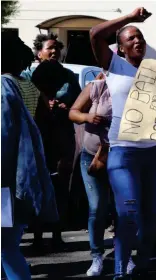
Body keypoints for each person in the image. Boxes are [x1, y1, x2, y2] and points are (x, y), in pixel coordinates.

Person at [90, 7, 156, 278]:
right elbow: (94, 33)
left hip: (155, 153)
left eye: (140, 36)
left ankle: (139, 266)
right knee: (127, 213)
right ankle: (120, 271)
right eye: (131, 38)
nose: (137, 40)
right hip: (123, 152)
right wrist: (130, 18)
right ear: (120, 47)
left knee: (151, 219)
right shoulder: (113, 65)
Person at [1, 34, 58, 280]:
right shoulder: (24, 85)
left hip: (4, 181)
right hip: (17, 174)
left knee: (6, 247)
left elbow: (3, 138)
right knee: (8, 245)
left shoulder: (3, 88)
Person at [22, 33, 81, 250]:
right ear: (39, 52)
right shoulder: (26, 76)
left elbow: (80, 102)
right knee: (36, 184)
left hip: (62, 136)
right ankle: (36, 236)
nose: (55, 51)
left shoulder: (69, 76)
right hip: (36, 137)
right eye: (50, 48)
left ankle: (57, 234)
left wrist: (68, 108)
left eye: (57, 48)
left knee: (59, 186)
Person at [69, 72, 113, 276]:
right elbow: (73, 112)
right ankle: (97, 256)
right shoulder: (97, 86)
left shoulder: (136, 89)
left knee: (123, 209)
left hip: (121, 156)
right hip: (92, 157)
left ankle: (125, 254)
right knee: (97, 207)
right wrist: (88, 116)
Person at [30, 60, 74, 252]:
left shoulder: (57, 105)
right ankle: (47, 237)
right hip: (45, 153)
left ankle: (47, 237)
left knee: (52, 195)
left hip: (51, 153)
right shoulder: (37, 102)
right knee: (53, 195)